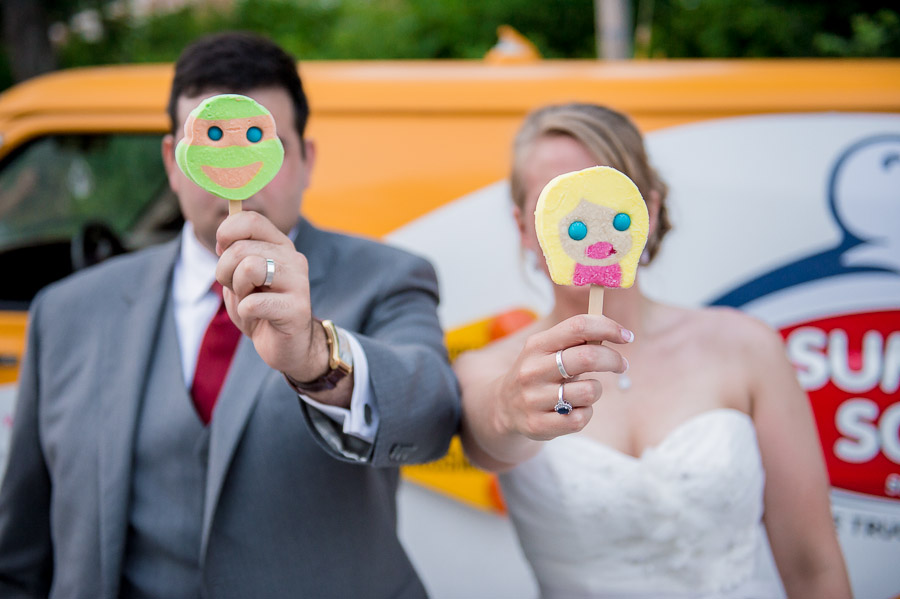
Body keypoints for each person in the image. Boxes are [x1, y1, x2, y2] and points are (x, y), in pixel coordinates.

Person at [0, 31, 459, 599]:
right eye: (213, 142)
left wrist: (317, 359)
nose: (242, 169)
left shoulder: (388, 278)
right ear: (174, 161)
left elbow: (433, 413)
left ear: (306, 160)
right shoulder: (67, 312)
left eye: (266, 144)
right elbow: (19, 551)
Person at [455, 103, 852, 598]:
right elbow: (489, 435)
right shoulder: (490, 370)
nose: (590, 222)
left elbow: (813, 568)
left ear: (652, 211)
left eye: (612, 202)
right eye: (560, 204)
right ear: (522, 227)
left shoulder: (747, 348)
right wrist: (513, 409)